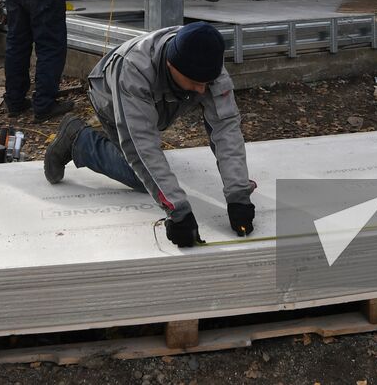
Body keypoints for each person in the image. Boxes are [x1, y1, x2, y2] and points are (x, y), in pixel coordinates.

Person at [42, 22, 255, 247]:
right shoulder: (132, 72)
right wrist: (178, 210)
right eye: (194, 82)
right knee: (141, 177)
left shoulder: (206, 61)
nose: (202, 90)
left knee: (156, 169)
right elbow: (141, 146)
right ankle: (79, 140)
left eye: (206, 83)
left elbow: (226, 129)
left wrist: (238, 195)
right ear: (172, 65)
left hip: (157, 104)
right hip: (111, 99)